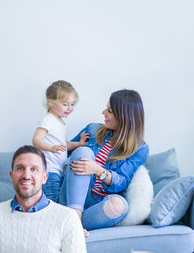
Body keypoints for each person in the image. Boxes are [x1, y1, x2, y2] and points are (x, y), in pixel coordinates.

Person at [59, 89, 149, 234]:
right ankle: (74, 218)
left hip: (97, 206)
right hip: (71, 198)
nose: (103, 112)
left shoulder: (140, 148)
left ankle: (69, 225)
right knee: (84, 152)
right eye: (106, 107)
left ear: (124, 117)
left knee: (121, 206)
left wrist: (98, 170)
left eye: (110, 111)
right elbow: (62, 153)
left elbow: (122, 182)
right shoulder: (92, 129)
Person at [32, 80, 89, 202]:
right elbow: (36, 140)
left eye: (73, 104)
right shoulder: (48, 120)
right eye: (65, 104)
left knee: (55, 202)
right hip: (49, 170)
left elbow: (63, 145)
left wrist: (79, 144)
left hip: (57, 171)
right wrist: (51, 148)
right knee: (52, 203)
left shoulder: (61, 123)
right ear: (50, 102)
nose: (70, 108)